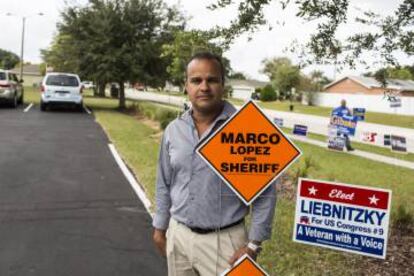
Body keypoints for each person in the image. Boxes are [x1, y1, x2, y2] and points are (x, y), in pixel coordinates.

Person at [152, 52, 277, 275]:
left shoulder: (245, 129)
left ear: (222, 84)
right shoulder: (174, 130)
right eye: (196, 80)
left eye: (212, 80)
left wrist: (253, 244)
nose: (204, 87)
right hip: (178, 236)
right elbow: (164, 182)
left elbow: (265, 195)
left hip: (226, 244)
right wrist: (160, 227)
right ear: (186, 85)